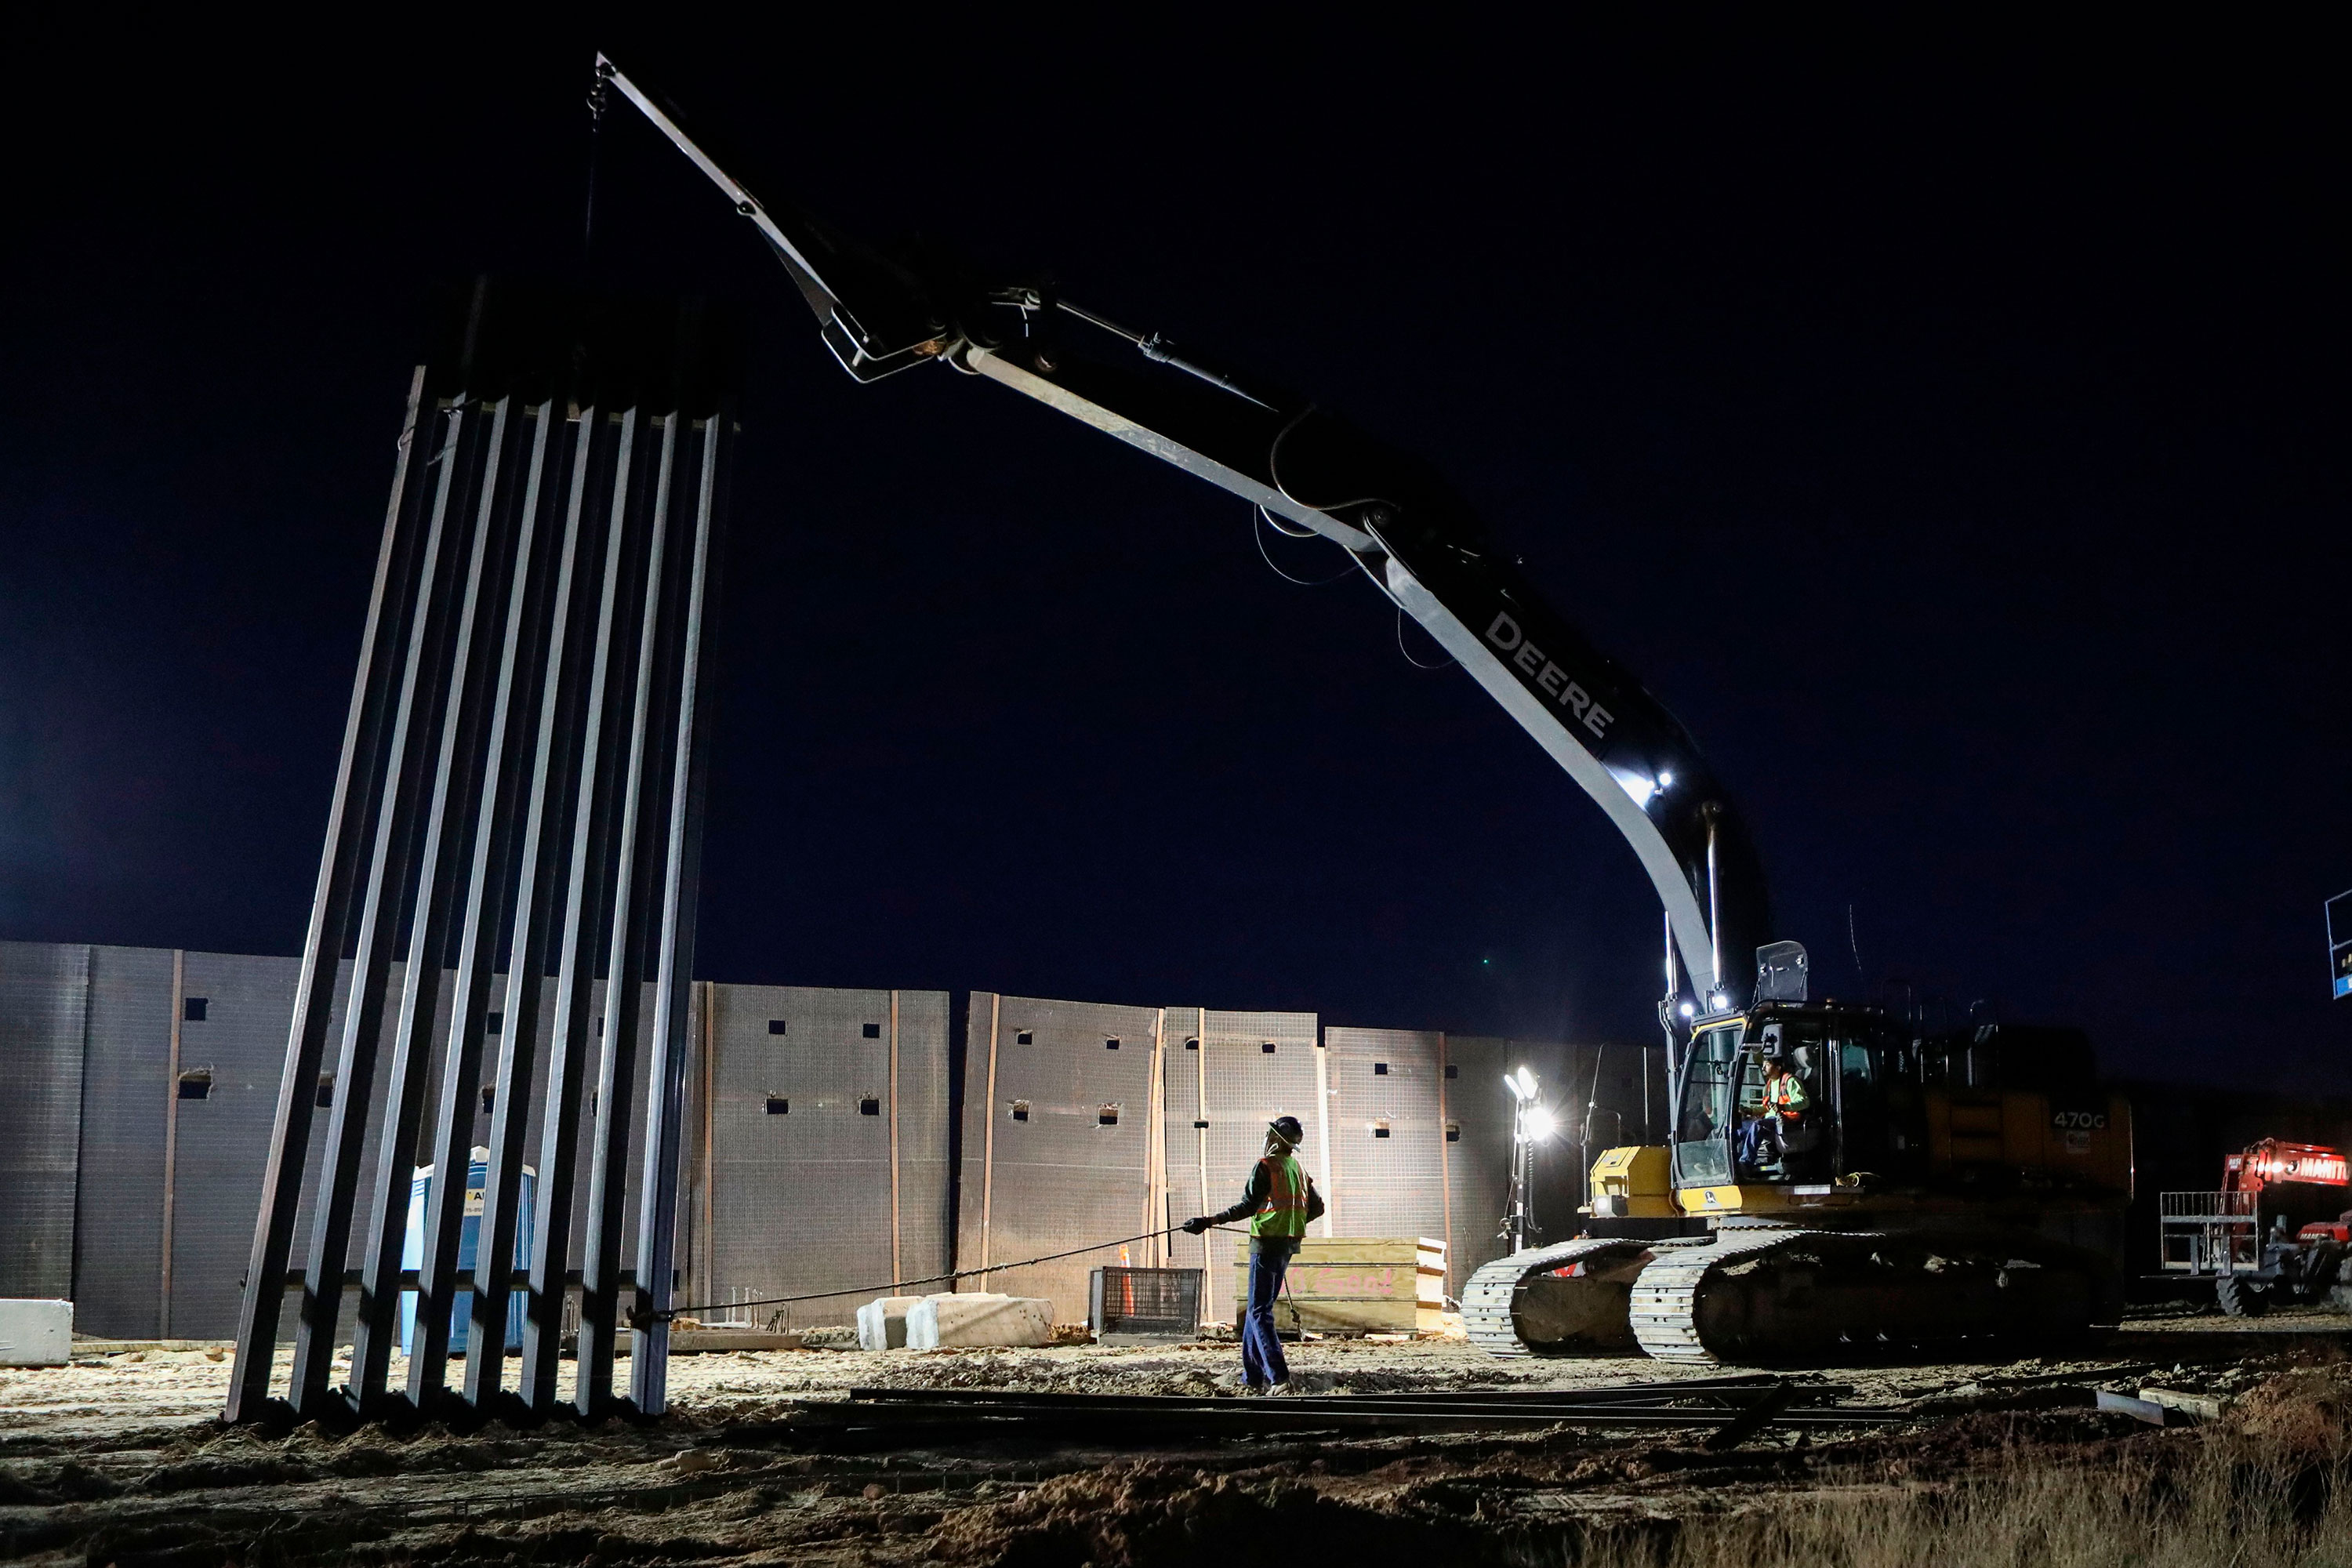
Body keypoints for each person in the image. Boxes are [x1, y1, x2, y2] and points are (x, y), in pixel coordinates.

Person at [1183, 1115, 1326, 1392]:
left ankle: (1279, 1377)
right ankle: (1253, 1377)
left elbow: (1247, 1207)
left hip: (1266, 1245)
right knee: (1256, 1309)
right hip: (1286, 1246)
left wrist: (1208, 1221)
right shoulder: (1298, 1170)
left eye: (1270, 1134)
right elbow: (1317, 1208)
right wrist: (1289, 1225)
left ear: (1275, 1139)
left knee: (1260, 1311)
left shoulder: (1267, 1166)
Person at [1737, 1057, 1809, 1172]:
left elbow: (1805, 1102)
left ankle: (1746, 1163)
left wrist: (1784, 1107)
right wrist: (1749, 1110)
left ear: (1778, 1067)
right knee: (1738, 1128)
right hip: (1770, 1120)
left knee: (1758, 1125)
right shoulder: (1769, 1085)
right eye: (1763, 1065)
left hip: (1786, 1121)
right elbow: (1766, 1107)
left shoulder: (1790, 1081)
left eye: (1767, 1065)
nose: (1763, 1068)